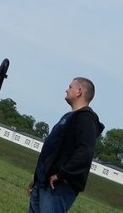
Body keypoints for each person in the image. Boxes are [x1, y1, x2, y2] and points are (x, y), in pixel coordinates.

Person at [26, 77, 103, 212]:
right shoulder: (69, 117)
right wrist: (38, 177)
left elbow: (84, 152)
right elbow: (53, 150)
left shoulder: (86, 119)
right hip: (44, 182)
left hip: (58, 186)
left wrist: (61, 175)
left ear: (79, 92)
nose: (67, 90)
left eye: (70, 87)